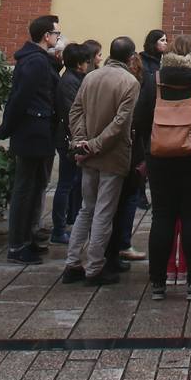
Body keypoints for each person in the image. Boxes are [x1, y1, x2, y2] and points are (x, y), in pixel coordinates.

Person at [133, 33, 191, 300]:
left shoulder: (155, 79)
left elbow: (139, 119)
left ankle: (158, 283)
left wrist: (152, 146)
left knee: (162, 216)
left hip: (161, 156)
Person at [62, 36, 141, 286]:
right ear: (130, 58)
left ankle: (73, 263)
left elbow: (75, 111)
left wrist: (82, 141)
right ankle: (95, 267)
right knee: (104, 212)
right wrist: (94, 145)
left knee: (86, 208)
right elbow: (121, 122)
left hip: (88, 152)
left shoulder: (91, 76)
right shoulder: (130, 81)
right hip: (112, 154)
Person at [0, 13, 61, 264]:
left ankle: (27, 238)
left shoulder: (39, 60)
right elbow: (20, 97)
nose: (58, 36)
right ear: (46, 36)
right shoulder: (35, 62)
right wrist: (6, 128)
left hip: (39, 131)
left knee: (34, 187)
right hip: (32, 131)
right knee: (25, 189)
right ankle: (16, 245)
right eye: (56, 33)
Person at [110, 28, 168, 264]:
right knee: (126, 193)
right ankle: (119, 244)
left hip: (123, 140)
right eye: (162, 40)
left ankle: (105, 248)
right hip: (134, 138)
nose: (165, 43)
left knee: (105, 200)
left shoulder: (96, 77)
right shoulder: (142, 74)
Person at [51, 40, 96, 244]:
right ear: (79, 64)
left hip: (71, 136)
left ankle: (68, 220)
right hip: (69, 139)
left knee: (72, 182)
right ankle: (59, 229)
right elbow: (74, 113)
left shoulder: (74, 79)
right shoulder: (70, 82)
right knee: (66, 183)